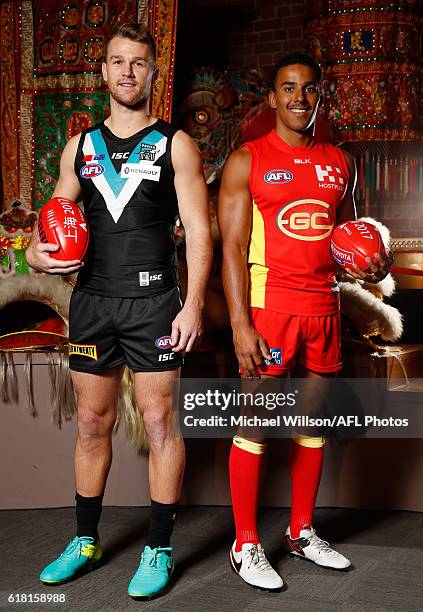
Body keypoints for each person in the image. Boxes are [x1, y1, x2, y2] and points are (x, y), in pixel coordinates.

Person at [26, 23, 212, 599]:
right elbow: (55, 218)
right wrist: (35, 252)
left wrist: (193, 305)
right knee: (90, 424)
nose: (128, 71)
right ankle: (86, 540)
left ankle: (157, 547)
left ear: (154, 74)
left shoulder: (175, 143)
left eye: (139, 62)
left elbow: (201, 233)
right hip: (93, 303)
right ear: (103, 72)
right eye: (117, 62)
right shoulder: (80, 147)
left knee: (159, 423)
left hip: (156, 304)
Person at [217, 52, 391, 591]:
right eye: (288, 89)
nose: (299, 99)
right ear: (272, 98)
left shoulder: (341, 162)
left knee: (312, 426)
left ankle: (300, 530)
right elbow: (231, 250)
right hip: (270, 311)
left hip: (324, 310)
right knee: (256, 425)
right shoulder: (247, 160)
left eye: (309, 89)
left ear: (321, 96)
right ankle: (245, 543)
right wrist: (241, 326)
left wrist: (374, 265)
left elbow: (349, 241)